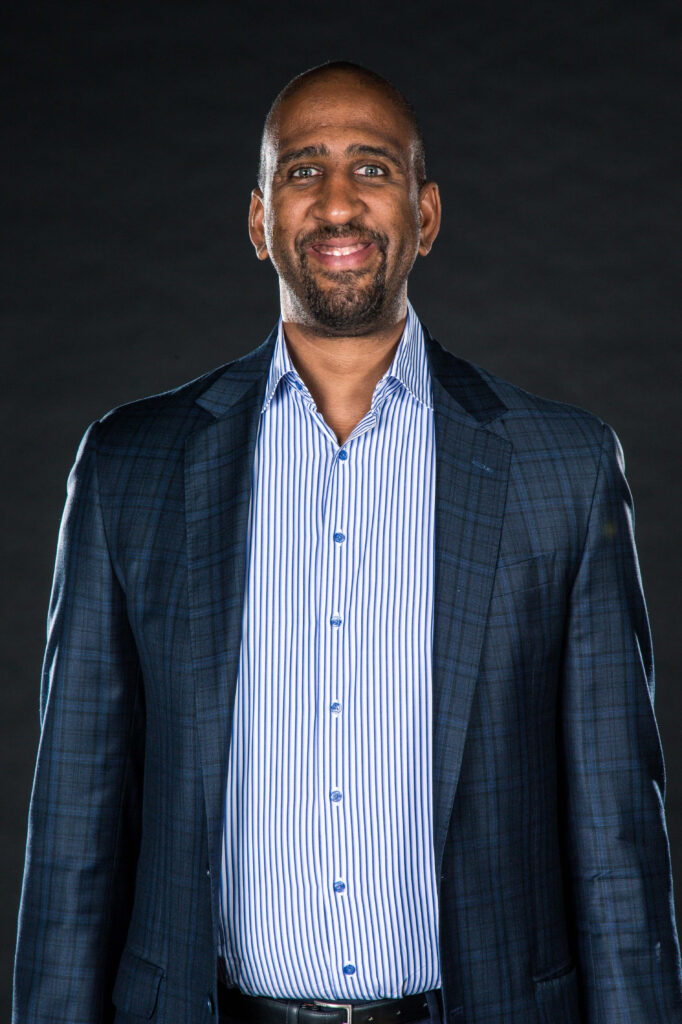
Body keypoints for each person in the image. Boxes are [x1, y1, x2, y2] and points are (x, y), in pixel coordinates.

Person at [13, 60, 682, 1024]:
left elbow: (618, 842)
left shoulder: (561, 472)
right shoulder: (131, 468)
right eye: (301, 171)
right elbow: (74, 834)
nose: (336, 202)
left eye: (371, 169)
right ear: (258, 222)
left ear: (427, 214)